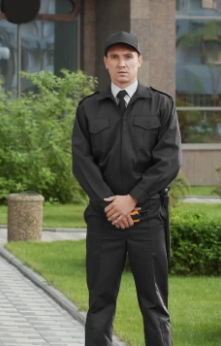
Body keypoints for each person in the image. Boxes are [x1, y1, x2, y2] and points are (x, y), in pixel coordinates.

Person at [72, 31, 182, 346]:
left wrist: (132, 200)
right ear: (106, 62)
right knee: (100, 304)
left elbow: (169, 161)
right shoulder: (89, 108)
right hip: (104, 220)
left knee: (155, 304)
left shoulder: (161, 105)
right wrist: (111, 204)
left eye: (129, 56)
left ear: (139, 61)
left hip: (147, 219)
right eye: (116, 57)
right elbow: (82, 162)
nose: (123, 63)